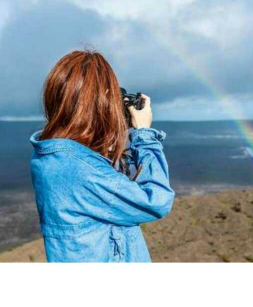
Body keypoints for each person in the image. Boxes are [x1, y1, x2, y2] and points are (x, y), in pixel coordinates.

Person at [29, 50, 175, 262]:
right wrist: (143, 134)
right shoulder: (77, 168)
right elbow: (157, 201)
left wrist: (108, 128)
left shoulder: (51, 158)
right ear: (96, 104)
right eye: (110, 97)